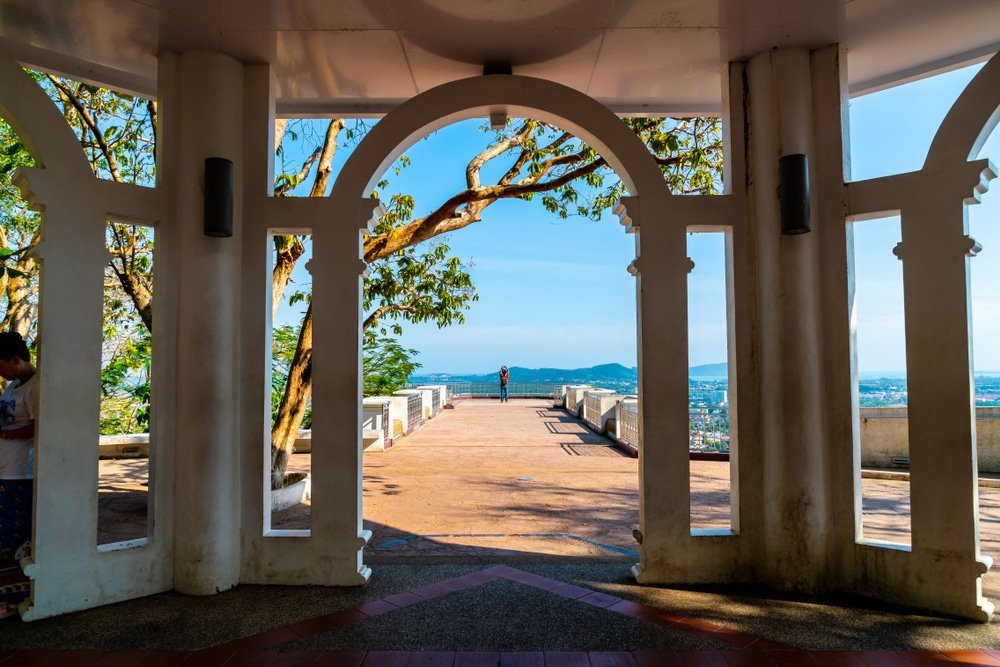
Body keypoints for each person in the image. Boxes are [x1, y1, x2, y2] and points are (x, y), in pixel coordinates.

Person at [0, 332, 36, 619]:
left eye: (1, 365)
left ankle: (20, 594)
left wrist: (2, 433)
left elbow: (41, 427)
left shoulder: (35, 387)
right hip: (5, 468)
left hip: (21, 471)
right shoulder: (13, 385)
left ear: (15, 359)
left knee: (16, 533)